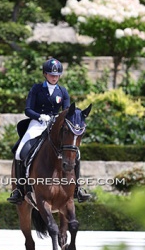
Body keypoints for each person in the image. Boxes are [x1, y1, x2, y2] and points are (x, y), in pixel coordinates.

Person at [8, 57, 91, 205]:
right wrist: (40, 116)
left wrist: (56, 119)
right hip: (38, 123)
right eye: (51, 74)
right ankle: (19, 189)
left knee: (76, 153)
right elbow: (28, 110)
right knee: (21, 151)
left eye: (57, 75)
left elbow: (66, 112)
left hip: (55, 126)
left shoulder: (63, 92)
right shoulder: (36, 89)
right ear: (45, 74)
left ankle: (77, 187)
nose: (54, 77)